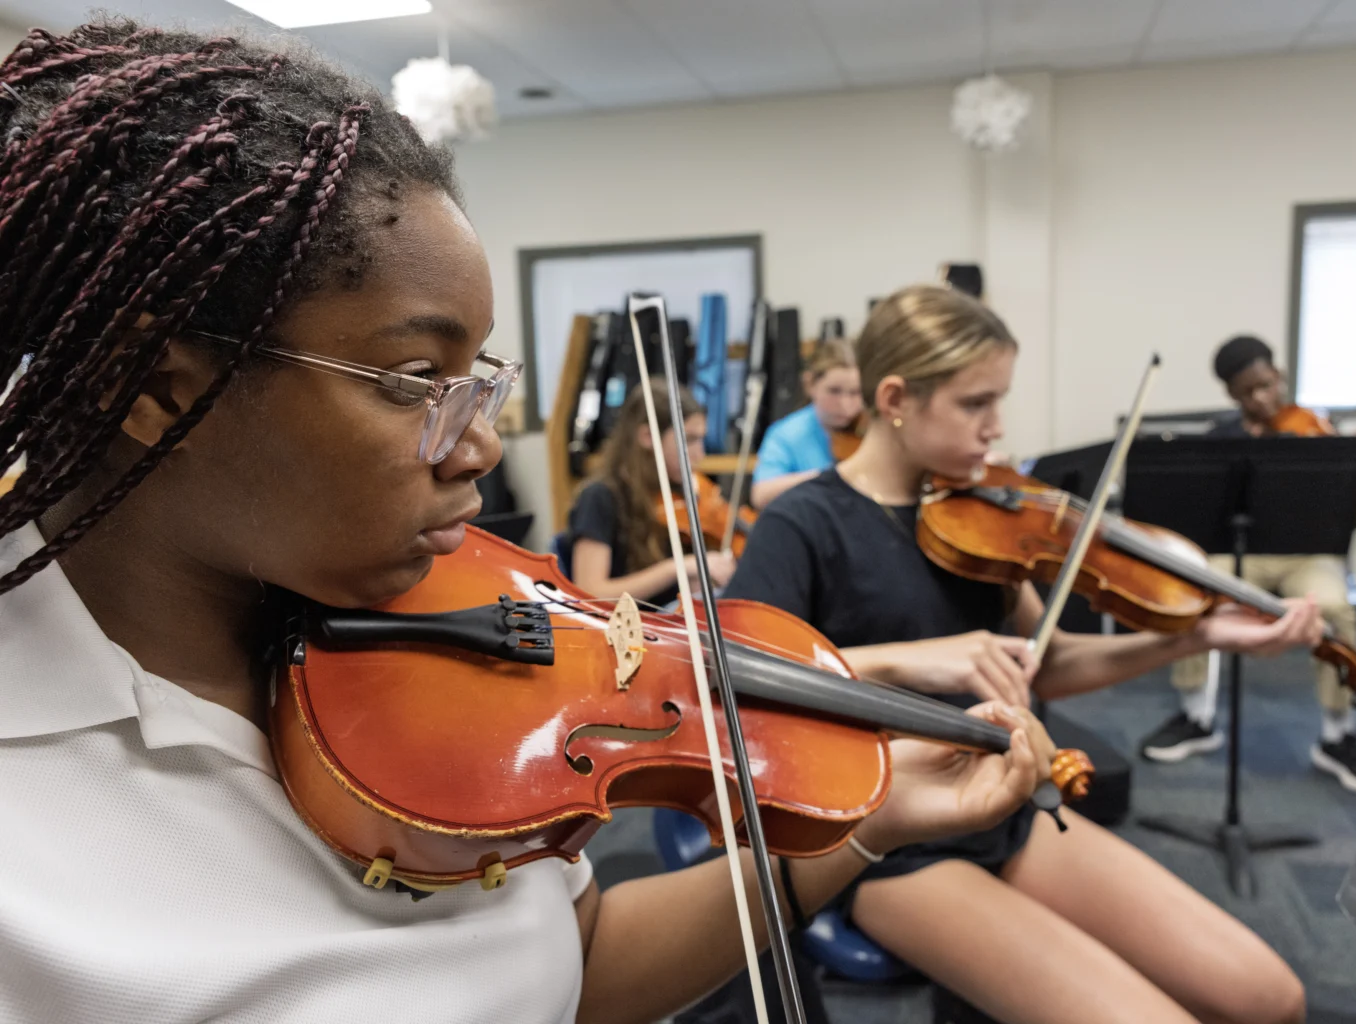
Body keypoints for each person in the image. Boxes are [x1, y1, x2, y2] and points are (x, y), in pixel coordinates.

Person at [0, 22, 1057, 1023]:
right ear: (155, 384)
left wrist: (861, 826)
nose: (480, 446)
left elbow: (576, 959)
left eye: (479, 379)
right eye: (416, 380)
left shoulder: (449, 639)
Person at [727, 285, 1320, 1024]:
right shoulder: (802, 524)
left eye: (998, 401)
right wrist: (906, 660)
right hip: (887, 843)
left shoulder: (978, 515)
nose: (995, 428)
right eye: (975, 403)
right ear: (895, 398)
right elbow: (735, 690)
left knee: (1270, 999)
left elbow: (1052, 665)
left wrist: (1194, 634)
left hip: (1007, 804)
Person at [1140, 334, 1356, 795]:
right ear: (1231, 395)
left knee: (1335, 608)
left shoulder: (1318, 434)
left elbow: (1350, 517)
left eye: (1267, 385)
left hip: (1306, 555)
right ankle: (1196, 716)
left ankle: (1338, 736)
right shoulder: (1221, 440)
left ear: (1280, 376)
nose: (1261, 398)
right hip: (1240, 555)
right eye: (1247, 392)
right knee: (1191, 594)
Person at [567, 378, 734, 605]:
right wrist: (678, 567)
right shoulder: (600, 497)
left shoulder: (682, 494)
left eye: (700, 440)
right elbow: (591, 592)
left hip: (674, 626)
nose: (700, 454)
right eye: (689, 440)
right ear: (647, 437)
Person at [749, 339, 861, 508]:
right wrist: (830, 476)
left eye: (855, 392)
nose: (845, 404)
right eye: (834, 391)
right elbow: (761, 495)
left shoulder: (870, 427)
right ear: (810, 384)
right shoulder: (786, 434)